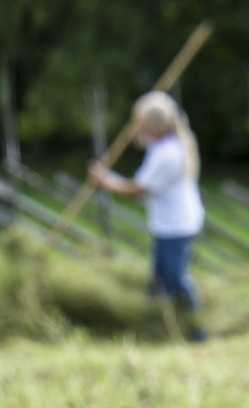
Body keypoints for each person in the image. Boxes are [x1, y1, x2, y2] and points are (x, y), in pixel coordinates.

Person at [89, 90, 207, 341]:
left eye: (142, 122)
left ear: (156, 125)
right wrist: (137, 126)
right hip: (168, 222)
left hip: (176, 224)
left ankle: (198, 329)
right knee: (159, 280)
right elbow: (138, 141)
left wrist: (106, 180)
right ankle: (153, 327)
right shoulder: (162, 145)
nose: (138, 127)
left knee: (175, 279)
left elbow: (137, 190)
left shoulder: (168, 154)